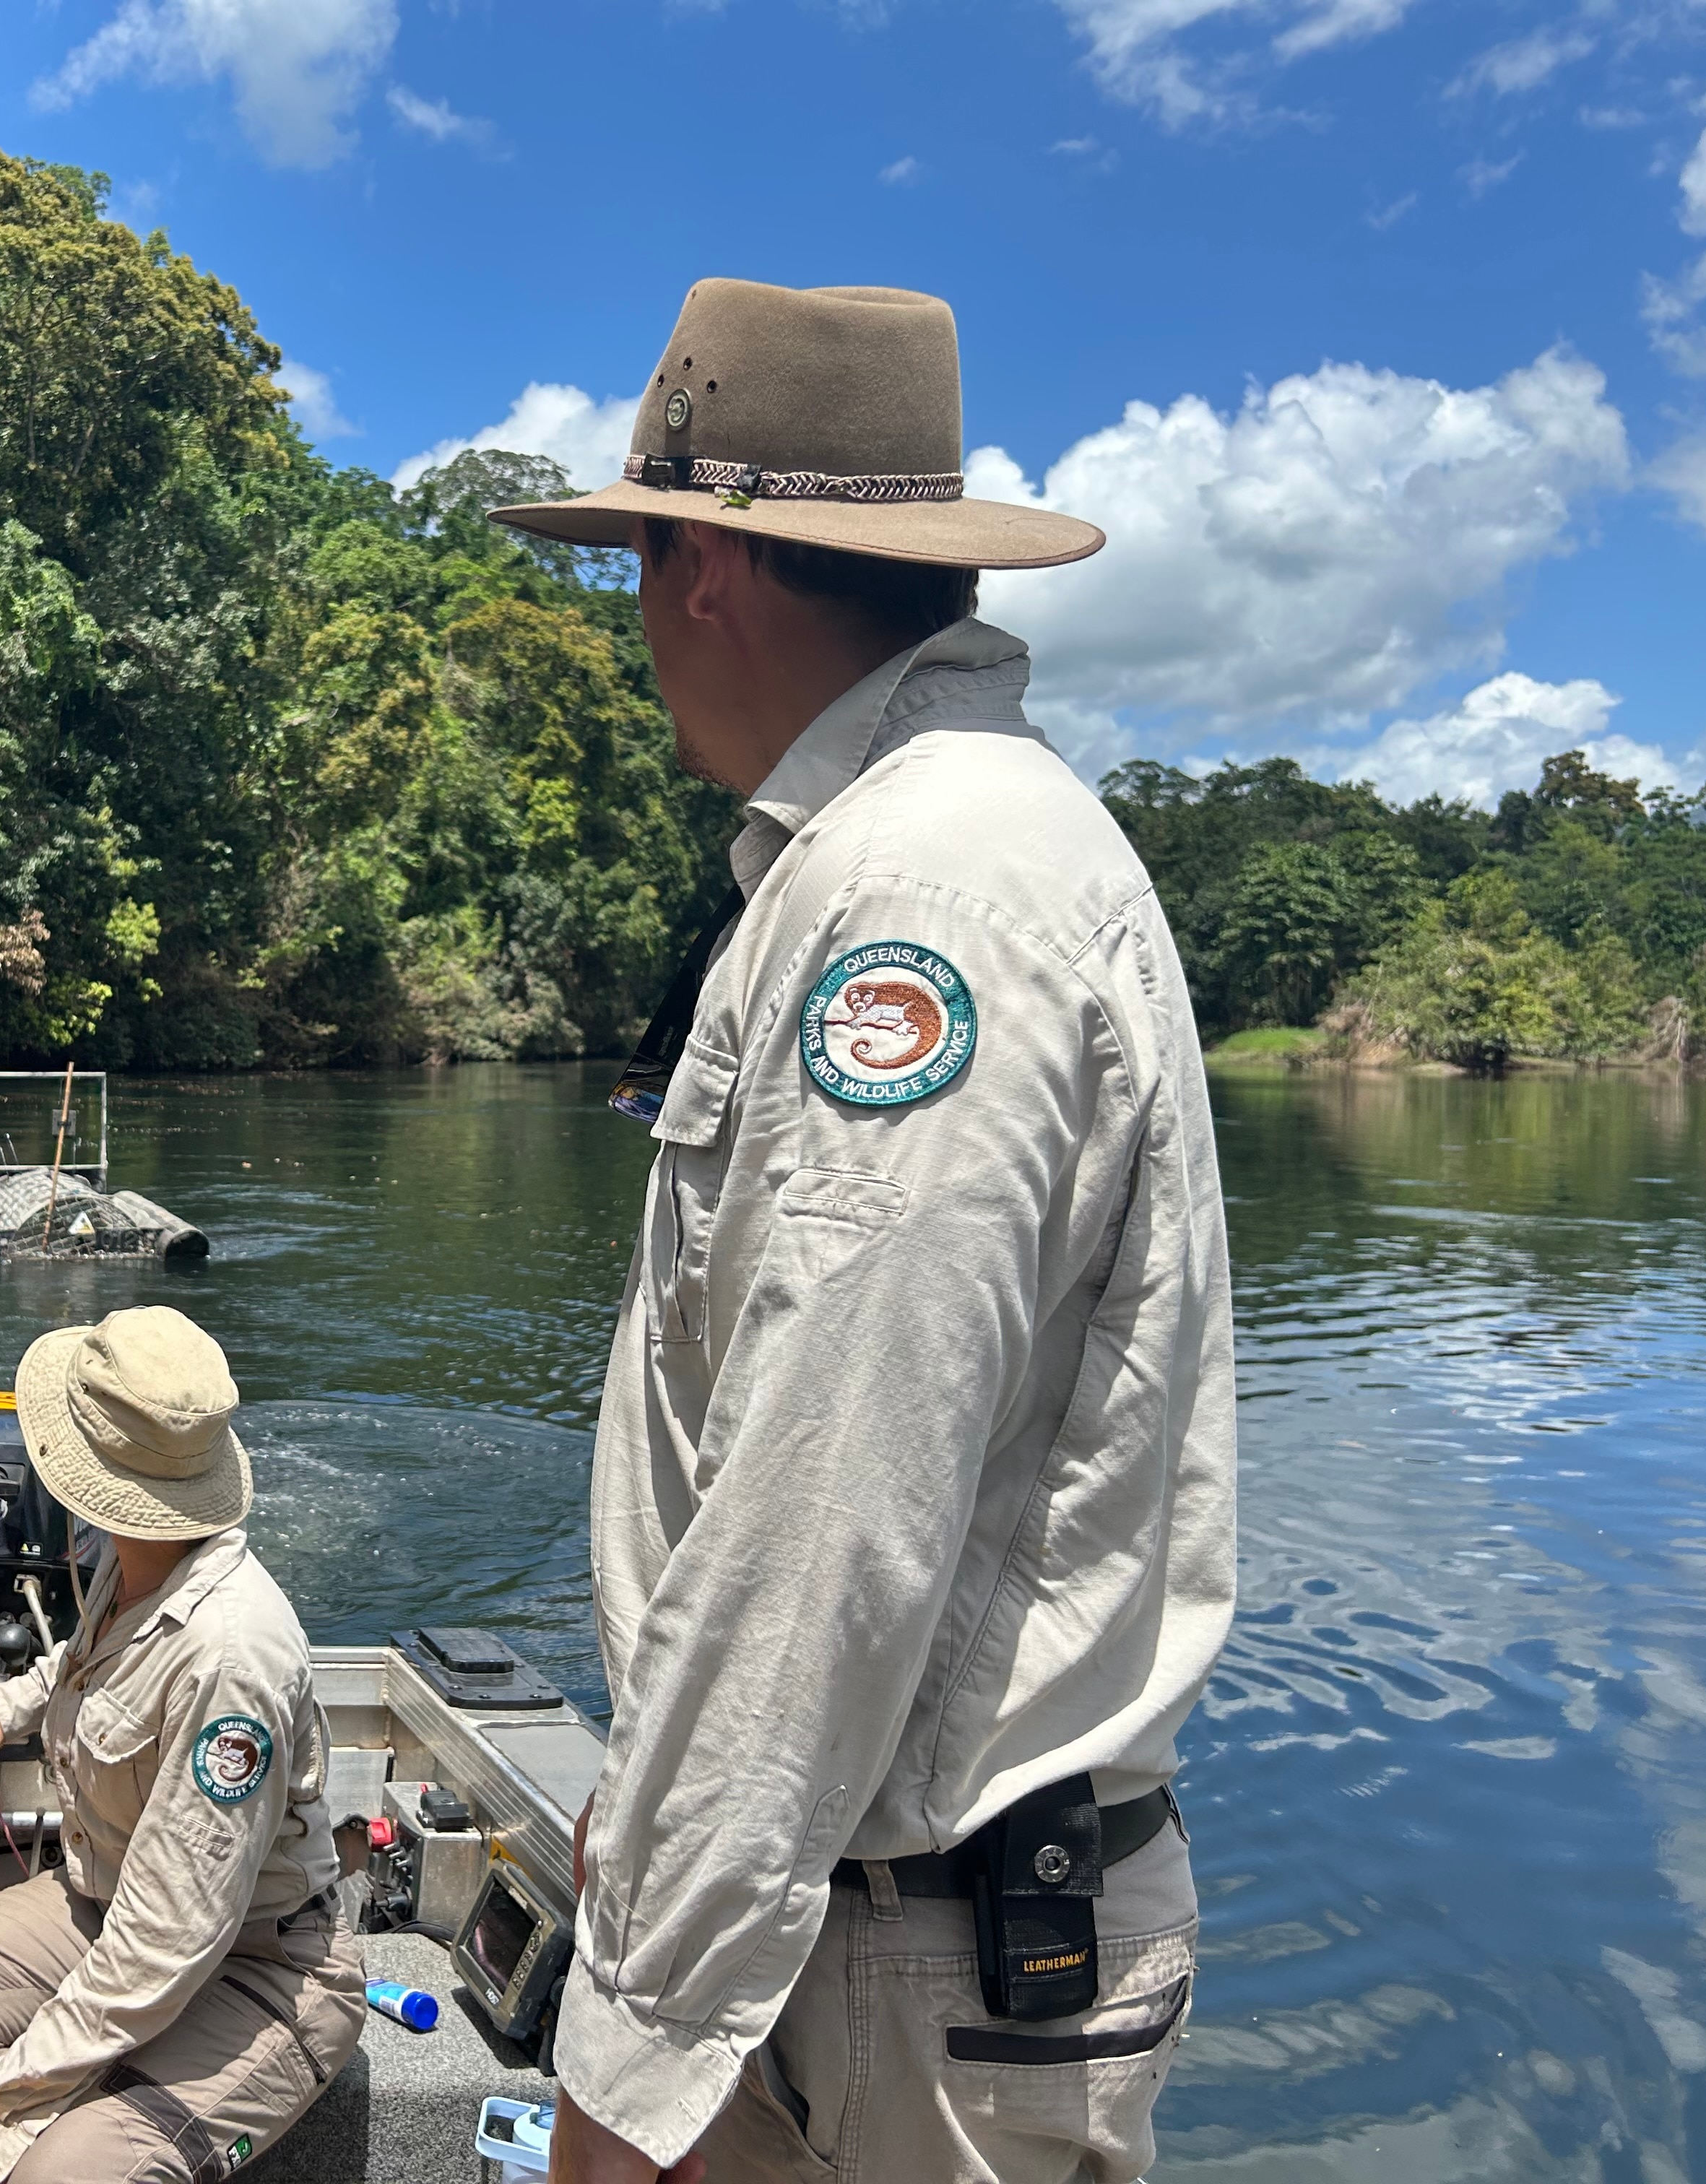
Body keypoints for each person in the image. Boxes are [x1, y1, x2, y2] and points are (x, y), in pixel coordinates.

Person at [484, 280, 1238, 2183]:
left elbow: (826, 1519)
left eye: (636, 563)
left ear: (706, 568)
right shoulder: (954, 843)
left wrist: (634, 2043)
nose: (639, 621)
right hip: (871, 1935)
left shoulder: (921, 889)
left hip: (894, 1976)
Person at [0, 1304, 364, 2184]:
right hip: (108, 1900)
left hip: (261, 1965)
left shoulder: (230, 1656)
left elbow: (172, 1941)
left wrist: (4, 2103)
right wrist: (9, 1704)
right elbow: (83, 1667)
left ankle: (79, 2152)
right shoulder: (137, 1558)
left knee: (63, 2170)